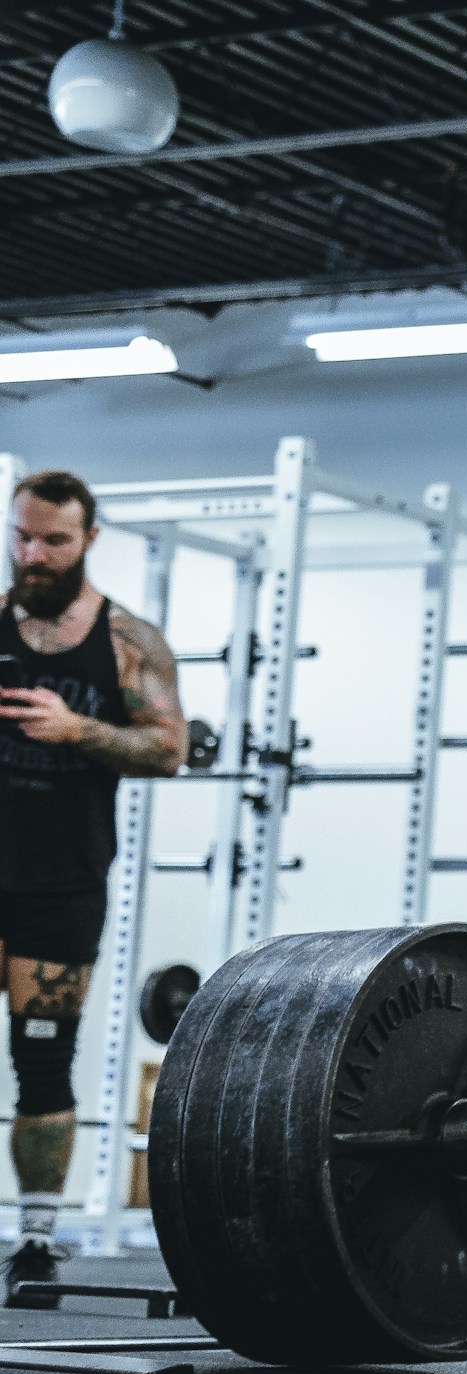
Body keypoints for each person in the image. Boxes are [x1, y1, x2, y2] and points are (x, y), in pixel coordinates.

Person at [0, 471, 185, 1281]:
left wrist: (78, 730)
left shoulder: (127, 642)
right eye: (22, 537)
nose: (33, 556)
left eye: (53, 542)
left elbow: (168, 749)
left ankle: (36, 1241)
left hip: (62, 883)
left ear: (89, 540)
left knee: (42, 1056)